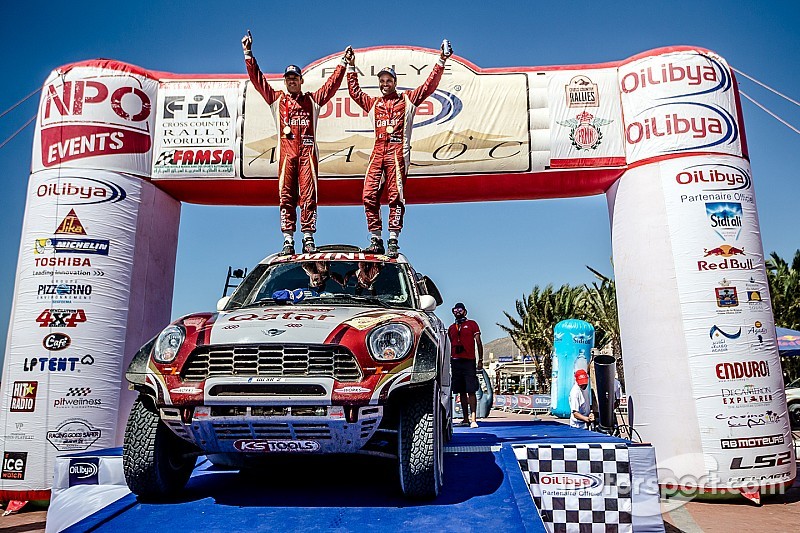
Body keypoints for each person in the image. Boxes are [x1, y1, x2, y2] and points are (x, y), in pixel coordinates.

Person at [242, 31, 353, 255]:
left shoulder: (312, 100)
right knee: (286, 196)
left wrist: (343, 63)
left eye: (295, 78)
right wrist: (248, 54)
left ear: (301, 81)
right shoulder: (277, 100)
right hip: (287, 155)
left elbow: (331, 86)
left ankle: (308, 237)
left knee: (309, 196)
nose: (292, 81)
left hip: (307, 155)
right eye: (289, 78)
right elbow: (258, 81)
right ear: (285, 82)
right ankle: (288, 239)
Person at [346, 40, 453, 257]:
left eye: (388, 80)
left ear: (394, 82)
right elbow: (355, 92)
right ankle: (376, 239)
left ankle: (393, 239)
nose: (385, 84)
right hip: (378, 150)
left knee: (395, 196)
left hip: (397, 151)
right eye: (382, 81)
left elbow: (429, 86)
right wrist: (350, 67)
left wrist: (441, 61)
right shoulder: (373, 103)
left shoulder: (407, 100)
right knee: (368, 194)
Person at [447, 302, 483, 428]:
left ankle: (474, 419)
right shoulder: (451, 328)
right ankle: (465, 419)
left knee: (471, 390)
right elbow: (448, 345)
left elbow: (478, 342)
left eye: (460, 310)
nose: (457, 312)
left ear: (465, 312)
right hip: (455, 361)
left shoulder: (472, 324)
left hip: (469, 361)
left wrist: (480, 360)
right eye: (455, 310)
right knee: (461, 391)